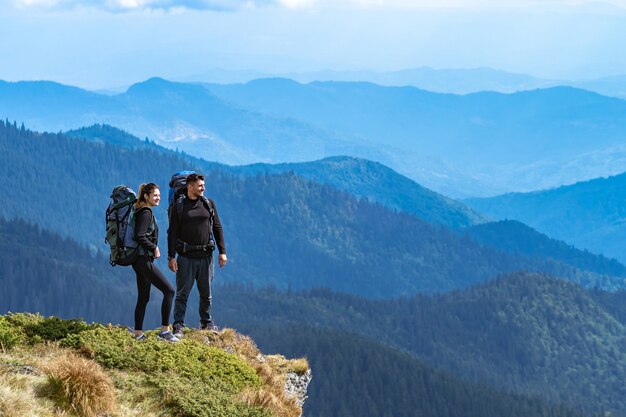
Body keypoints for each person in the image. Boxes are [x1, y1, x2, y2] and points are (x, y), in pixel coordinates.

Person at [167, 173, 227, 338]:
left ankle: (206, 323)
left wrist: (222, 252)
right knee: (182, 294)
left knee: (206, 293)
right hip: (185, 257)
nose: (203, 188)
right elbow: (172, 233)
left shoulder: (208, 204)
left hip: (206, 256)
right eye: (200, 185)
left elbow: (217, 227)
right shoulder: (179, 206)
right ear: (190, 186)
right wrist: (171, 257)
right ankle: (178, 325)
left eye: (203, 185)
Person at [131, 183, 179, 343]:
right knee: (169, 291)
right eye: (155, 195)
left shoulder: (141, 210)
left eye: (159, 195)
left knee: (143, 297)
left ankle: (138, 334)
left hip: (139, 260)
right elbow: (140, 236)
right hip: (144, 260)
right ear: (146, 196)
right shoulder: (145, 212)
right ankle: (165, 331)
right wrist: (155, 248)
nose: (158, 198)